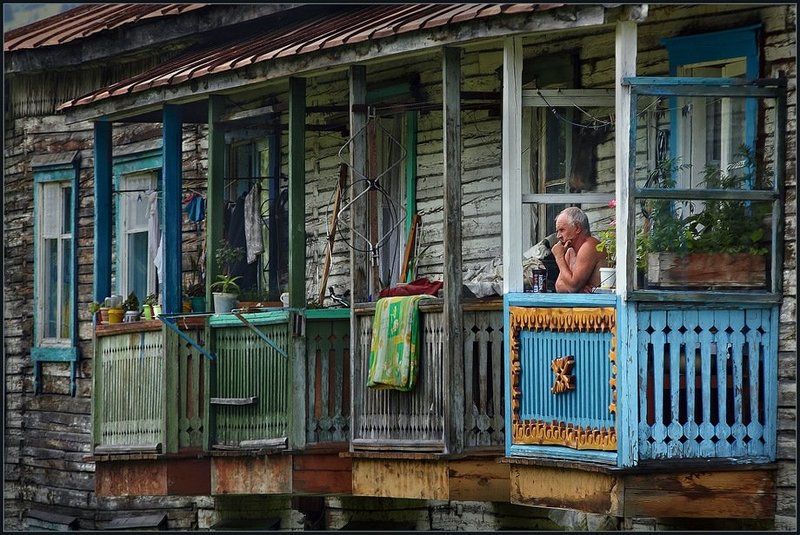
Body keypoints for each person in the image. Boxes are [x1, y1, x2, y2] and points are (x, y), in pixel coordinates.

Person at [552, 207, 606, 293]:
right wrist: (579, 288)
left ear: (577, 228)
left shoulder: (590, 245)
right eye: (557, 231)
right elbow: (559, 286)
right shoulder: (570, 251)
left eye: (562, 230)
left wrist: (559, 257)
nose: (559, 236)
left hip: (598, 304)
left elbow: (573, 287)